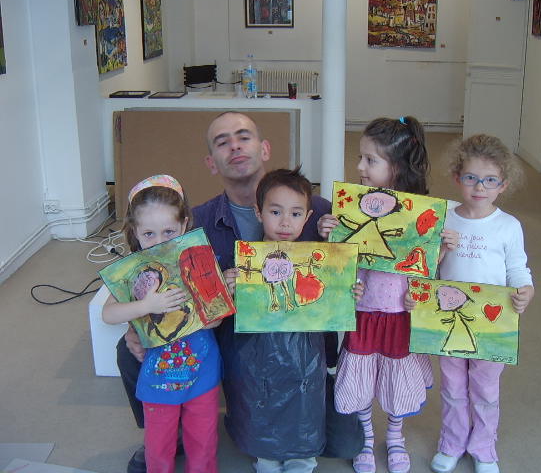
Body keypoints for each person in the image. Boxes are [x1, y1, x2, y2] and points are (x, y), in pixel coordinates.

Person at [115, 112, 339, 473]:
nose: (234, 146)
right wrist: (135, 326)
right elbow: (159, 269)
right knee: (131, 348)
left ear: (264, 149)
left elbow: (350, 268)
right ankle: (165, 431)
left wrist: (343, 250)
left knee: (345, 441)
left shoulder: (317, 209)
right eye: (223, 142)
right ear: (211, 163)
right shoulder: (196, 222)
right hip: (222, 331)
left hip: (298, 342)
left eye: (243, 136)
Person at [317, 116, 459, 473]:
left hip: (400, 313)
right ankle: (366, 436)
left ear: (396, 166)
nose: (359, 167)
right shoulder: (354, 206)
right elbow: (339, 262)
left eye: (370, 160)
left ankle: (395, 435)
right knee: (361, 376)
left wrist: (442, 248)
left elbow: (426, 270)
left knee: (398, 377)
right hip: (364, 310)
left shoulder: (421, 211)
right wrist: (328, 231)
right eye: (360, 158)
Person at [429, 134, 535, 473]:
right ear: (457, 177)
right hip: (448, 318)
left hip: (492, 322)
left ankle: (484, 446)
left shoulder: (508, 226)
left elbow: (518, 269)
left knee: (486, 388)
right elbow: (427, 268)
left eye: (490, 180)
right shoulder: (444, 217)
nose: (479, 187)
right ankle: (452, 441)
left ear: (503, 185)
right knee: (453, 385)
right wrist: (440, 250)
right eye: (471, 178)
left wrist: (525, 290)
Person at [103, 175, 223, 473]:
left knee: (203, 442)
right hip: (158, 379)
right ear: (135, 232)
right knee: (158, 447)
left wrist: (212, 315)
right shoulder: (134, 271)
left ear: (184, 225)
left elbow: (217, 316)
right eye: (149, 234)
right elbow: (108, 314)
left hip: (201, 372)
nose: (160, 242)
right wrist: (146, 306)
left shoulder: (198, 261)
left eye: (169, 231)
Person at [223, 167, 339, 472]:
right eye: (275, 212)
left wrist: (346, 289)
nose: (285, 222)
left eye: (295, 214)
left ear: (308, 216)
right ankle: (267, 457)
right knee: (261, 402)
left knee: (305, 405)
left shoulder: (316, 260)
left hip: (305, 356)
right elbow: (225, 310)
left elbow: (330, 299)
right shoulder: (246, 260)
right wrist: (229, 287)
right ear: (258, 212)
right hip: (258, 356)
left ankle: (302, 459)